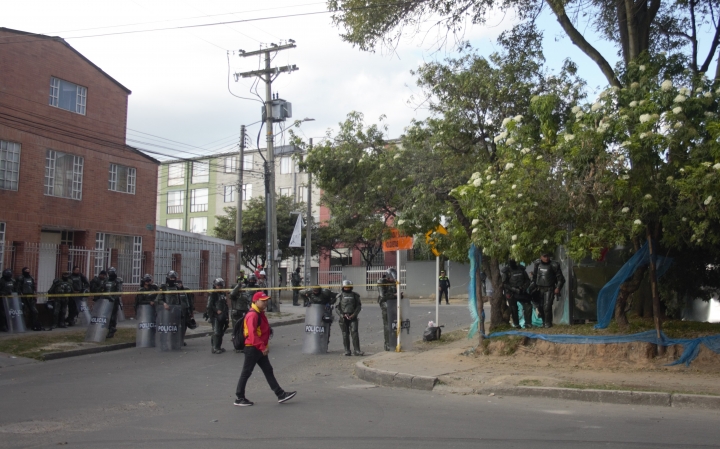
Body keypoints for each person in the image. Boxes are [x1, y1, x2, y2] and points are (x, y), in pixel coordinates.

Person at [234, 291, 296, 407]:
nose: (265, 303)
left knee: (268, 370)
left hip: (257, 348)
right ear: (255, 301)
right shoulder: (253, 315)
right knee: (246, 373)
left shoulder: (259, 313)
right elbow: (252, 335)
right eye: (263, 301)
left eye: (266, 300)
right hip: (253, 348)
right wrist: (262, 347)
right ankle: (239, 397)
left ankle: (280, 394)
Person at [529, 252, 566, 328]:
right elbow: (535, 276)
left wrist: (558, 287)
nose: (546, 258)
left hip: (549, 289)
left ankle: (548, 323)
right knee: (540, 306)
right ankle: (544, 322)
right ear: (541, 256)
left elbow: (561, 279)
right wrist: (532, 285)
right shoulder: (537, 264)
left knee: (547, 307)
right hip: (539, 289)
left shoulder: (554, 265)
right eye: (544, 256)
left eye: (547, 256)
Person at [501, 260, 532, 329]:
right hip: (511, 293)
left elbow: (527, 280)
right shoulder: (507, 271)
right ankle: (516, 324)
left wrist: (523, 288)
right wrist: (514, 289)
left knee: (528, 306)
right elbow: (504, 283)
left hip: (522, 292)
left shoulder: (521, 269)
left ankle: (528, 323)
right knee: (513, 308)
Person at [335, 280, 363, 356]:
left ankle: (357, 350)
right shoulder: (339, 296)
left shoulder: (355, 295)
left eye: (348, 287)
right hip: (343, 318)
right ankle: (347, 350)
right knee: (345, 334)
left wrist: (354, 315)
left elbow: (358, 306)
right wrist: (342, 315)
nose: (347, 288)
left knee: (354, 332)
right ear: (343, 287)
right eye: (345, 287)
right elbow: (337, 307)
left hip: (353, 316)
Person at [377, 268, 400, 351]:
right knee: (387, 325)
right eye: (391, 278)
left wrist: (399, 295)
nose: (392, 280)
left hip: (394, 304)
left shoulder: (394, 282)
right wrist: (394, 295)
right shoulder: (382, 282)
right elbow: (383, 296)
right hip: (386, 305)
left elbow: (396, 292)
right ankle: (388, 344)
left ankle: (395, 342)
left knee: (395, 325)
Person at [206, 278, 229, 354]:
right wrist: (216, 310)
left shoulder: (222, 293)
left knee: (221, 332)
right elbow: (209, 306)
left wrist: (226, 314)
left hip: (223, 315)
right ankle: (215, 348)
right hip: (215, 316)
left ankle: (218, 347)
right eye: (218, 285)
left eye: (221, 285)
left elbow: (225, 304)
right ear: (215, 285)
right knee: (216, 332)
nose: (219, 286)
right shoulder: (212, 294)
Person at [100, 267, 123, 338]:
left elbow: (119, 292)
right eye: (109, 273)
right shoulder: (106, 280)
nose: (111, 274)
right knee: (105, 315)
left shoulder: (117, 281)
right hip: (105, 300)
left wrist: (113, 298)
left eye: (112, 272)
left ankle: (112, 329)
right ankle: (105, 328)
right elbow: (102, 289)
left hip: (114, 300)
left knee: (113, 316)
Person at [176, 279, 196, 343]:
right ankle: (177, 340)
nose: (179, 285)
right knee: (177, 326)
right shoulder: (174, 291)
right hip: (177, 311)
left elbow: (190, 301)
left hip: (186, 311)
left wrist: (191, 311)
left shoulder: (186, 291)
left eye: (180, 284)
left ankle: (181, 340)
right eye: (178, 284)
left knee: (184, 326)